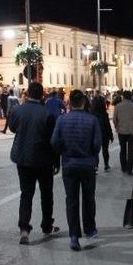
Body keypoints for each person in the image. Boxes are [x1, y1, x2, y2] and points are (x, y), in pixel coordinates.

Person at [9, 82, 60, 245]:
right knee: (46, 194)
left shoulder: (18, 110)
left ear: (27, 93)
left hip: (23, 158)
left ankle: (24, 229)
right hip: (43, 159)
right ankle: (46, 225)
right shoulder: (47, 114)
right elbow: (53, 140)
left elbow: (12, 128)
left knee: (26, 194)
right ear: (42, 95)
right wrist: (56, 160)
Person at [51, 90, 101, 251]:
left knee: (71, 200)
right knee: (88, 198)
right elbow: (97, 144)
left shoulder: (61, 120)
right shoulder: (92, 120)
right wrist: (92, 155)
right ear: (84, 102)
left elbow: (54, 142)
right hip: (87, 165)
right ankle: (90, 229)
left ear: (69, 103)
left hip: (69, 165)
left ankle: (74, 235)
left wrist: (63, 153)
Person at [113, 90, 133, 175]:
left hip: (121, 131)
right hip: (132, 131)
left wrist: (117, 126)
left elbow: (114, 119)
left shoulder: (118, 106)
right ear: (131, 97)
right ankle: (129, 169)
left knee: (122, 149)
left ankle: (123, 167)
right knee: (131, 151)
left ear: (123, 97)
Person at [90, 95, 113, 172]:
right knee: (105, 150)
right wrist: (111, 135)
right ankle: (106, 164)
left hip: (95, 134)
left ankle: (95, 166)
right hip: (104, 134)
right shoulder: (104, 114)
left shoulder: (91, 114)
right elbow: (108, 125)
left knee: (95, 151)